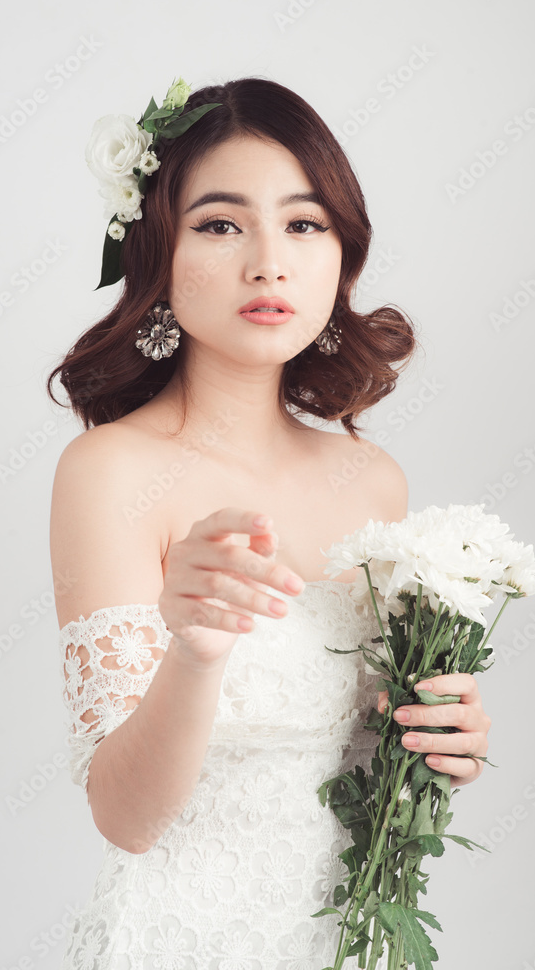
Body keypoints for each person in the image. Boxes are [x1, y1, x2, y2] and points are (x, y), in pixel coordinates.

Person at [48, 76, 491, 968]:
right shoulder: (109, 473)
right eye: (220, 223)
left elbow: (365, 772)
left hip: (348, 943)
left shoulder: (374, 482)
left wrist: (439, 743)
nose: (267, 261)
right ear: (158, 253)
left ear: (341, 254)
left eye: (303, 223)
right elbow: (124, 818)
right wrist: (195, 647)